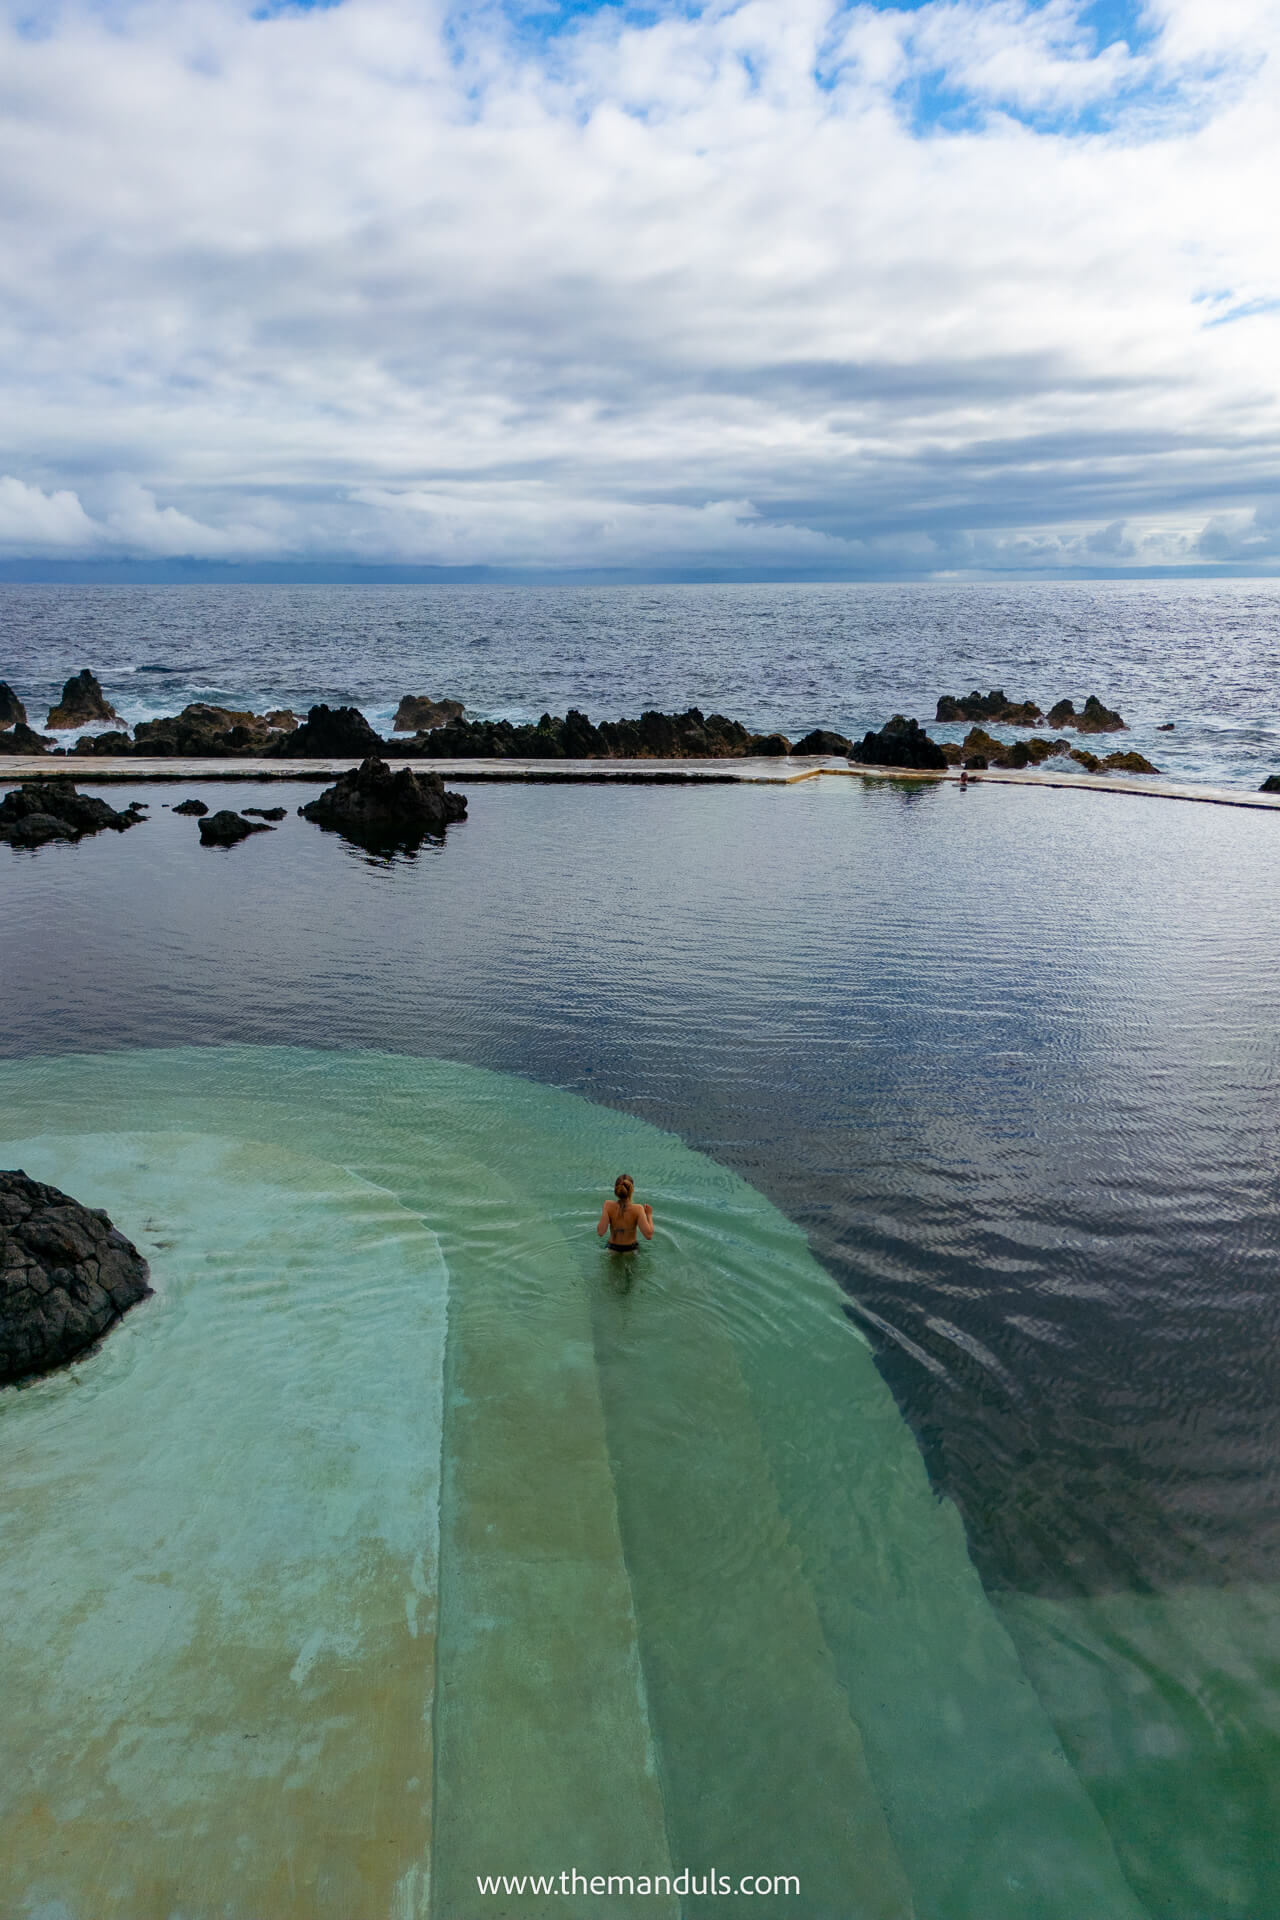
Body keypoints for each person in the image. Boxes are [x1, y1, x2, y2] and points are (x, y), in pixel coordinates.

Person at [597, 1174, 653, 1252]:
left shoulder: (608, 1205)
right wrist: (649, 1215)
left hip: (612, 1249)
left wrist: (605, 1210)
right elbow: (649, 1235)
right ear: (632, 1189)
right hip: (631, 1249)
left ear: (615, 1189)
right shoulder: (638, 1209)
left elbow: (600, 1232)